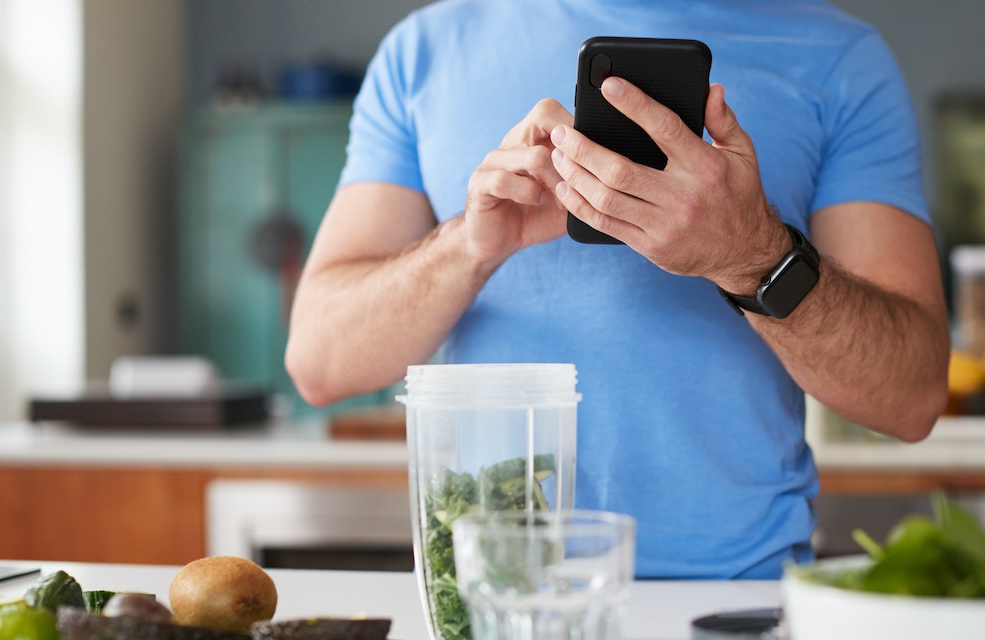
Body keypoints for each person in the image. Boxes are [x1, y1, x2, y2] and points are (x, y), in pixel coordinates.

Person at [286, 0, 950, 580]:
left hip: (733, 599)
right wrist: (469, 246)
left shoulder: (840, 59)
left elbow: (911, 396)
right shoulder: (422, 52)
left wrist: (752, 255)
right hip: (494, 597)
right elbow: (319, 360)